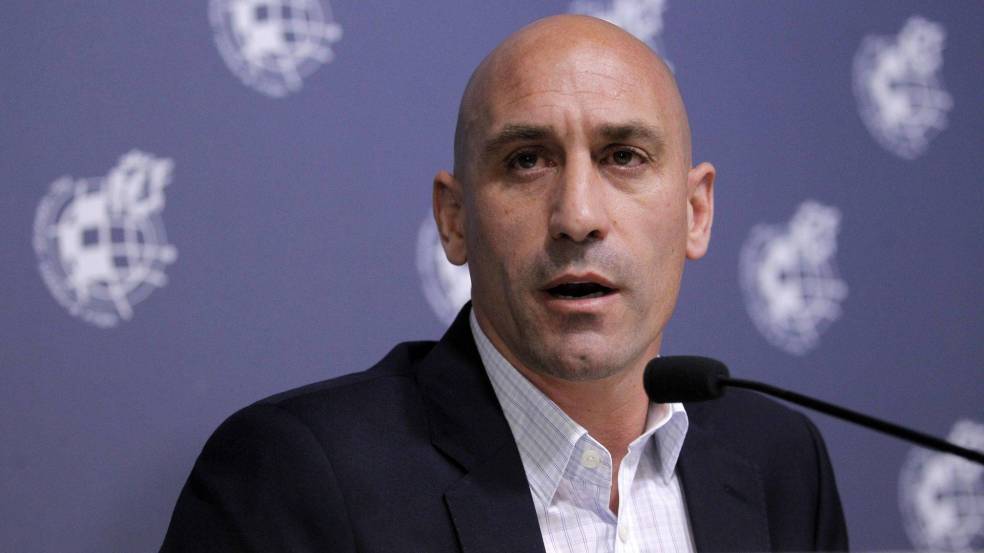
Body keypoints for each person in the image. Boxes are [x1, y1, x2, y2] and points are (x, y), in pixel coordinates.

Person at [161, 15, 848, 552]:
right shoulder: (298, 475)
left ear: (695, 213)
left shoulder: (781, 461)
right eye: (526, 160)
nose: (578, 215)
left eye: (624, 156)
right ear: (454, 220)